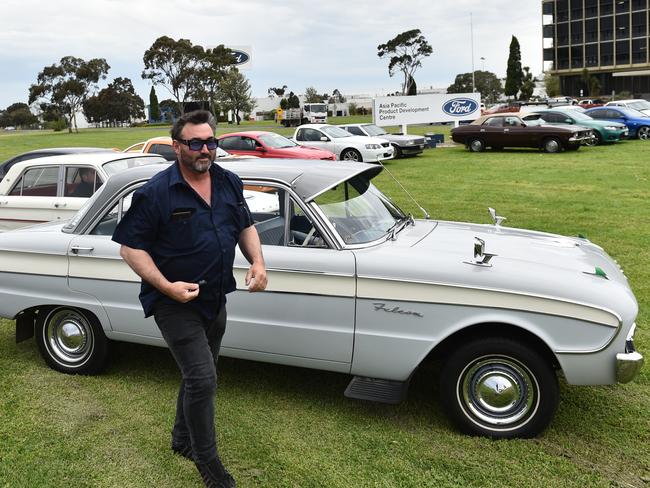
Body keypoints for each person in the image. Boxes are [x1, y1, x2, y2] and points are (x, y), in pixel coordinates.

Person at [112, 110, 267, 488]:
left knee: (199, 374)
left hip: (216, 298)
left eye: (210, 142)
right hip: (174, 303)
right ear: (177, 146)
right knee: (203, 378)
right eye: (195, 143)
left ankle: (181, 439)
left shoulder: (229, 182)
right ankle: (208, 461)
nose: (205, 150)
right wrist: (166, 286)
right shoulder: (155, 192)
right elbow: (130, 249)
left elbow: (245, 226)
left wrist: (259, 263)